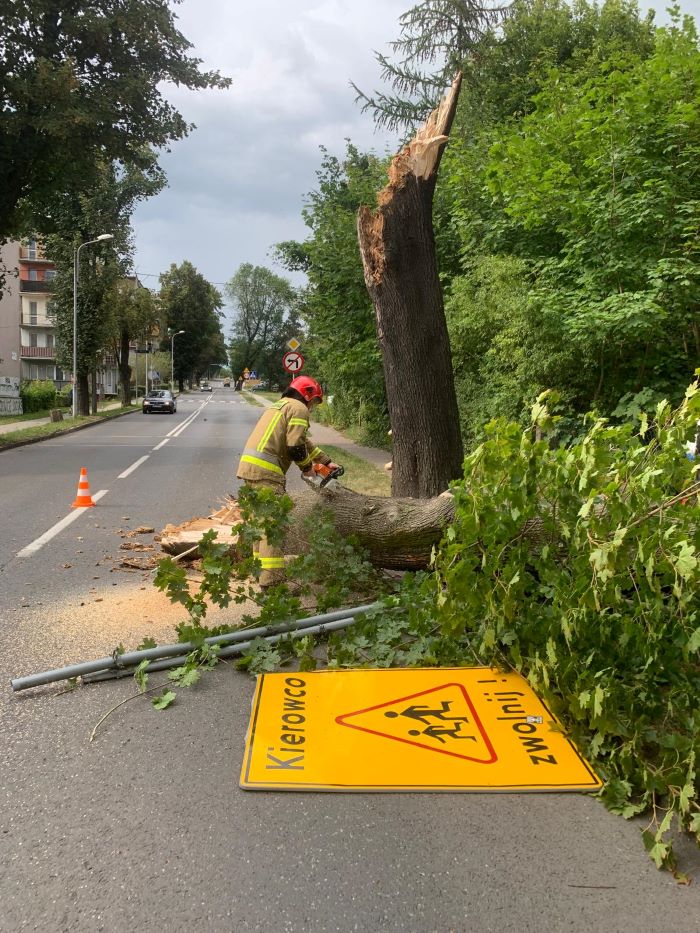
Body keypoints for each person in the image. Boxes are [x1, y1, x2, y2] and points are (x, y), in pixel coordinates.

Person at [236, 375, 342, 589]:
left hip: (250, 468)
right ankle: (272, 582)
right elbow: (295, 447)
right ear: (308, 394)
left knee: (259, 525)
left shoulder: (280, 406)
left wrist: (326, 461)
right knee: (273, 527)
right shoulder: (299, 409)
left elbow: (303, 441)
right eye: (314, 402)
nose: (312, 408)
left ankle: (260, 575)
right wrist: (307, 468)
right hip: (267, 472)